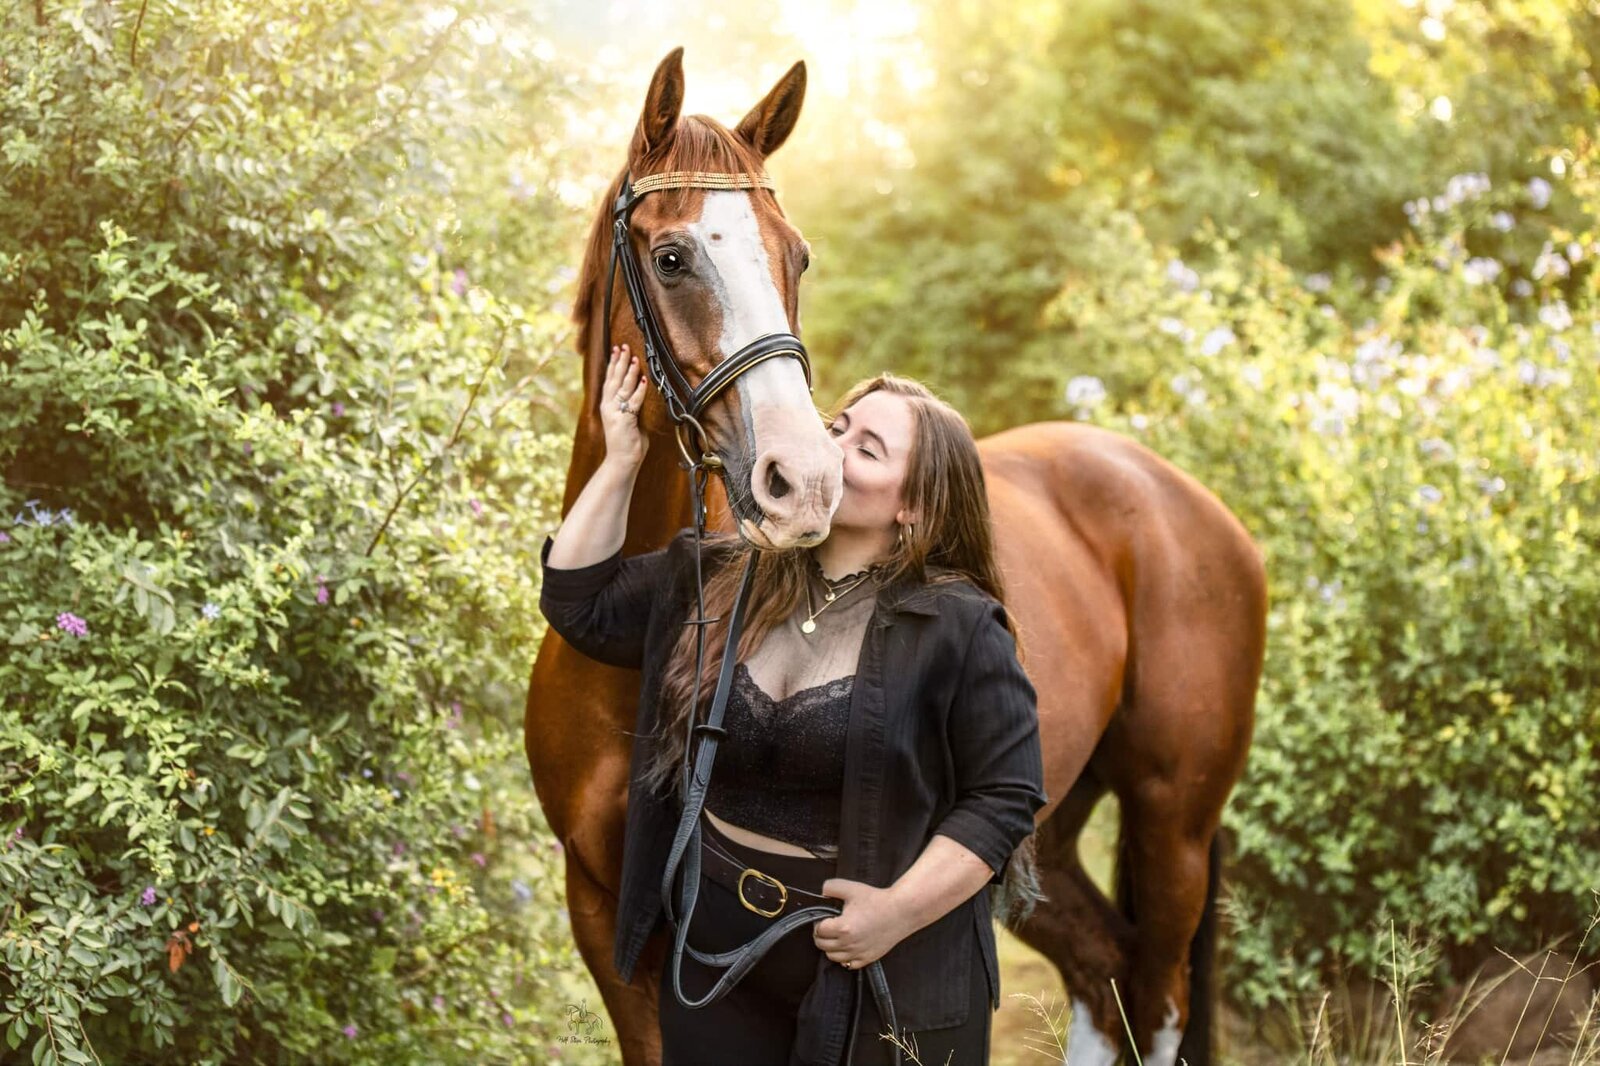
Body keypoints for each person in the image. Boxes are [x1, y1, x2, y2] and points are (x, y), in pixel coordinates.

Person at [539, 343, 1049, 1065]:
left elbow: (1005, 797)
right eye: (835, 426)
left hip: (871, 961)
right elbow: (576, 602)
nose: (829, 446)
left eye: (865, 449)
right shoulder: (717, 575)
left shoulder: (960, 627)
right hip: (714, 951)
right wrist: (621, 458)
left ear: (915, 506)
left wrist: (894, 915)